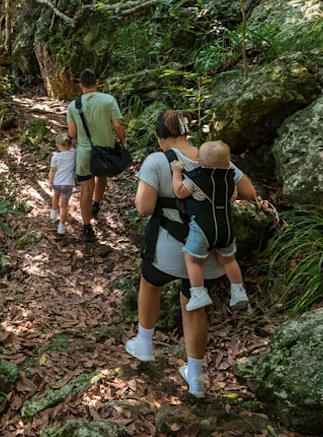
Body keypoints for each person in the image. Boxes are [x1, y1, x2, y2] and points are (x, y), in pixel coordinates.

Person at [124, 111, 256, 399]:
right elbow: (248, 191)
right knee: (194, 306)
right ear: (187, 132)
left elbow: (144, 208)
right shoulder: (216, 159)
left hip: (169, 248)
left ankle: (144, 342)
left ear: (161, 137)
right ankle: (195, 377)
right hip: (209, 250)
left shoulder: (158, 161)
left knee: (150, 282)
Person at [172, 140, 249, 311]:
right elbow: (234, 197)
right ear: (228, 163)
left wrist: (176, 172)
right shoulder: (230, 180)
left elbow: (179, 192)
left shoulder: (197, 179)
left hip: (202, 230)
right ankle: (238, 290)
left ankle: (199, 292)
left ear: (198, 161)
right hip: (226, 230)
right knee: (228, 260)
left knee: (192, 260)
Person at [66, 69, 126, 242]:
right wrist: (124, 142)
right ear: (97, 83)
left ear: (80, 86)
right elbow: (118, 125)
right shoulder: (109, 100)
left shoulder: (73, 105)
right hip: (105, 152)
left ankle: (86, 227)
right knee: (102, 176)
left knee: (85, 189)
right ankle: (96, 206)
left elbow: (72, 133)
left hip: (85, 153)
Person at [48, 133, 76, 236]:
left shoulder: (56, 157)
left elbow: (52, 171)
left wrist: (50, 182)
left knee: (55, 195)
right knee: (64, 206)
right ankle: (61, 227)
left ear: (58, 145)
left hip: (57, 183)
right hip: (68, 184)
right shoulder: (74, 154)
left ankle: (53, 213)